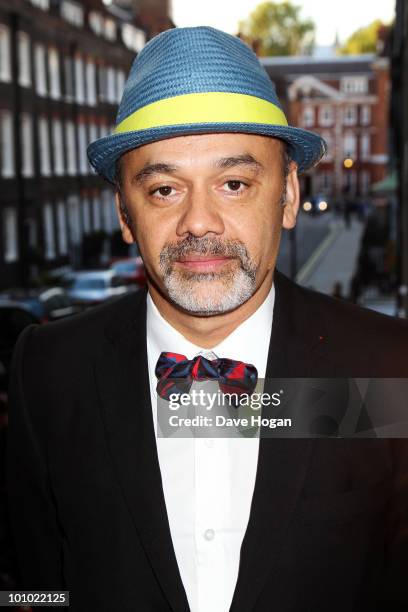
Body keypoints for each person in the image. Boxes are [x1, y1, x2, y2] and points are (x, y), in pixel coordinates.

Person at [6, 26, 408, 612]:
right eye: (165, 189)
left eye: (235, 183)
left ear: (289, 195)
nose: (200, 222)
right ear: (125, 212)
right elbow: (27, 583)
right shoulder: (49, 371)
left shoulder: (385, 364)